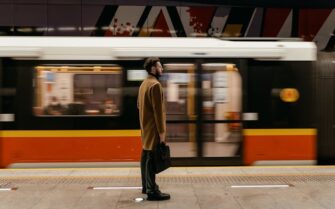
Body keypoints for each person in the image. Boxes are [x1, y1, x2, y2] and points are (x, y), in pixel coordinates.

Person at [137, 57, 170, 201]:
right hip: (153, 128)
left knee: (145, 155)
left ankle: (146, 186)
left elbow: (139, 106)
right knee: (151, 157)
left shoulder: (144, 84)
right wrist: (162, 135)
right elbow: (159, 113)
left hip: (145, 127)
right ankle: (152, 191)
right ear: (152, 68)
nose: (162, 69)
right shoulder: (155, 85)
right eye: (159, 67)